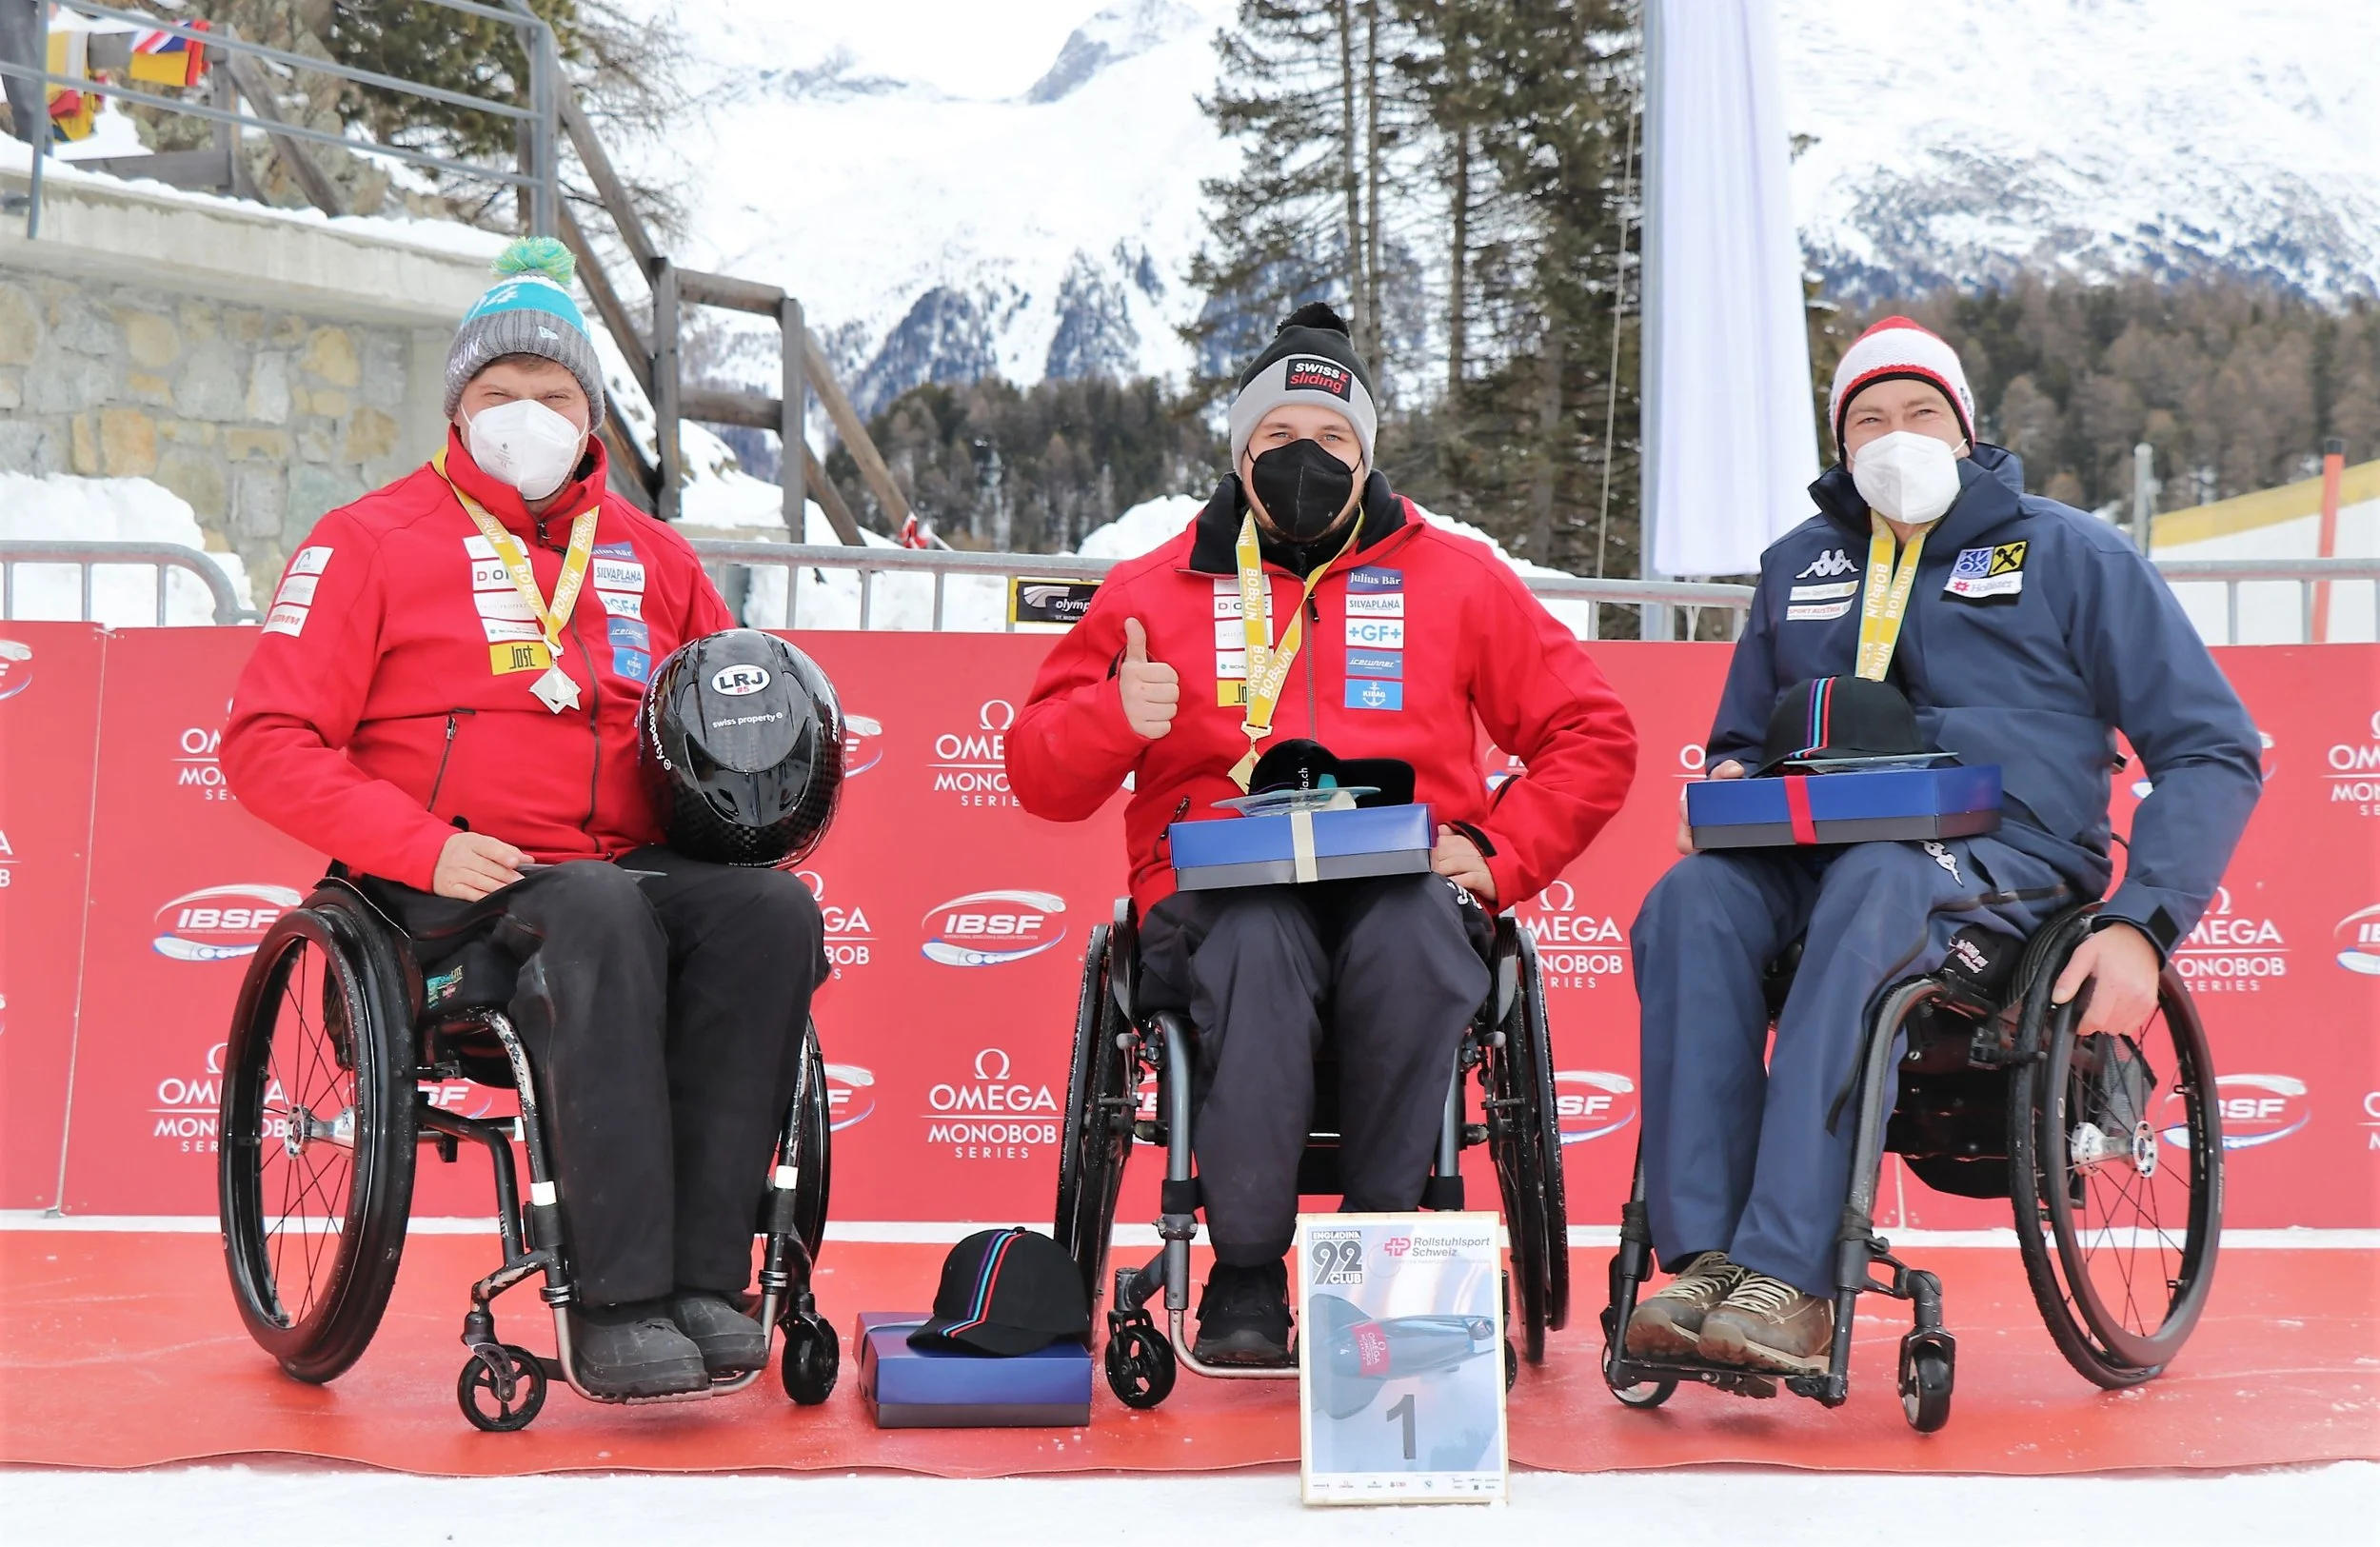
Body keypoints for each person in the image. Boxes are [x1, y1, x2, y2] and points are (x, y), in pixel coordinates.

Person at [223, 238, 827, 1398]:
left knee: (766, 912)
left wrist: (762, 798)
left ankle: (707, 1280)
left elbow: (721, 727)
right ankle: (614, 1297)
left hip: (620, 881)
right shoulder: (368, 541)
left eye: (553, 394)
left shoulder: (651, 558)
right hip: (440, 903)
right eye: (498, 393)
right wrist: (426, 843)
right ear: (458, 407)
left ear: (592, 413)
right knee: (597, 910)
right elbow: (263, 743)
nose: (526, 415)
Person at [1624, 317, 2263, 1376]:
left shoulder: (2070, 551)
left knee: (1881, 884)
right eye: (1866, 417)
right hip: (1811, 846)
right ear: (1839, 445)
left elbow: (2210, 748)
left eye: (1920, 411)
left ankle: (1788, 1272)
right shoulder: (1799, 564)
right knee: (1692, 899)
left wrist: (2144, 926)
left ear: (1964, 426)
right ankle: (1705, 1261)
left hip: (2006, 858)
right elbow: (1743, 739)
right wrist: (1734, 779)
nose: (1894, 434)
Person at [1007, 303, 1637, 1363]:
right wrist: (1115, 714)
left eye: (1335, 440)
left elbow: (1593, 731)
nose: (1308, 458)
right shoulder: (1150, 589)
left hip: (1397, 879)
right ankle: (1244, 1272)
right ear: (1241, 455)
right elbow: (1037, 772)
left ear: (1369, 455)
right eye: (1278, 438)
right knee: (1258, 938)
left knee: (1410, 932)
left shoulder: (1456, 576)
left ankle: (1377, 1255)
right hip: (1217, 892)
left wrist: (1495, 852)